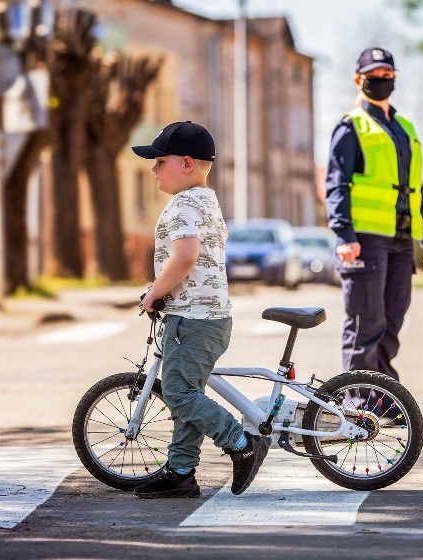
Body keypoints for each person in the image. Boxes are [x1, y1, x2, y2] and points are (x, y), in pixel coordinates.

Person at [131, 121, 271, 499]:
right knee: (188, 393)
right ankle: (180, 471)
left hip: (192, 320)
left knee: (177, 393)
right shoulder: (207, 201)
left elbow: (185, 257)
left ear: (187, 163)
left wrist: (152, 294)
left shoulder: (182, 205)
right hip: (209, 317)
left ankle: (241, 443)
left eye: (161, 162)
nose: (155, 170)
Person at [325, 47, 423, 382]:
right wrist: (345, 235)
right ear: (358, 79)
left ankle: (384, 393)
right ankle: (359, 402)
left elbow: (415, 188)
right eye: (373, 75)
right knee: (366, 323)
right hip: (366, 240)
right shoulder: (351, 127)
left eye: (387, 75)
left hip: (402, 240)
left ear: (395, 78)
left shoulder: (405, 127)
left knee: (392, 320)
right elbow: (336, 185)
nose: (381, 80)